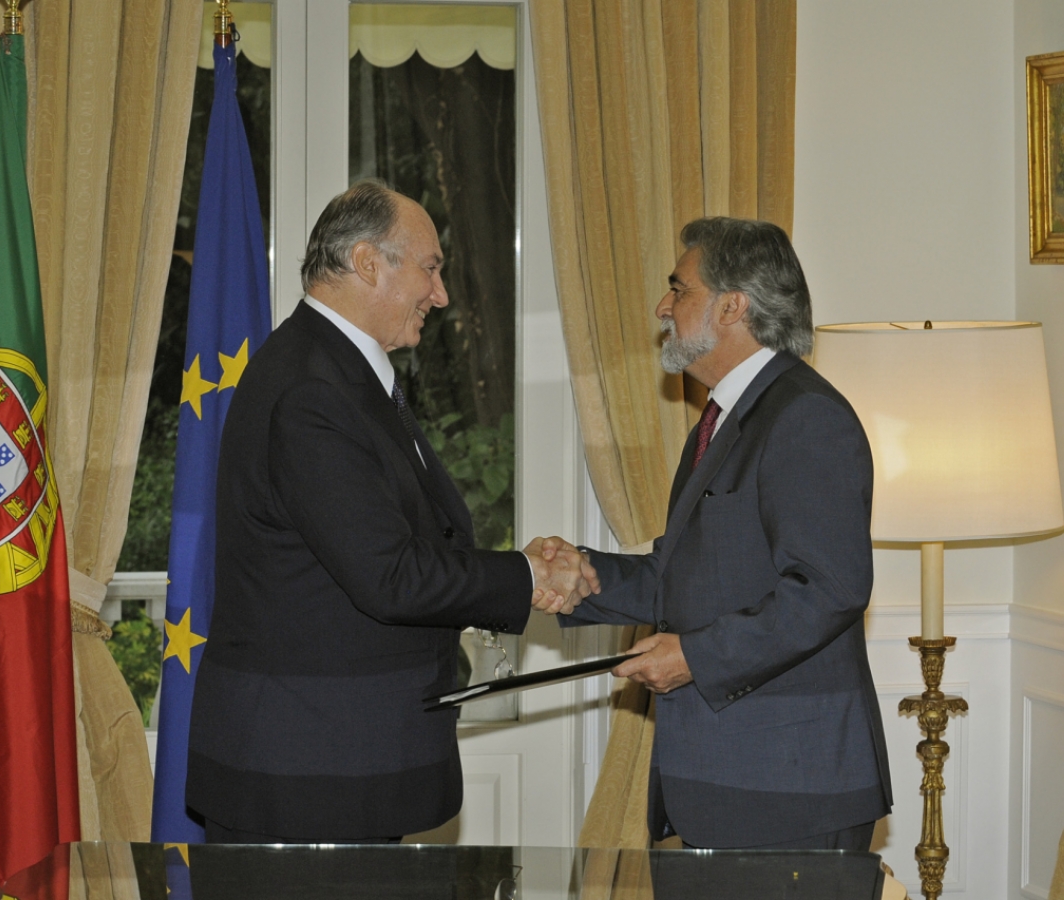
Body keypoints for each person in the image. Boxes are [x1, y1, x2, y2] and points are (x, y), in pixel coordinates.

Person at [185, 181, 596, 843]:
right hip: (307, 775)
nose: (441, 294)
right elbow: (390, 576)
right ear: (370, 264)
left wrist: (518, 568)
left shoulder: (337, 372)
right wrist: (522, 576)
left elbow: (413, 539)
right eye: (431, 269)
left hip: (338, 764)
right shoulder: (312, 390)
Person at [547, 216, 891, 850]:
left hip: (788, 789)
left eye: (679, 289)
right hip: (733, 781)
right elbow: (686, 575)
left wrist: (693, 657)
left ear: (734, 305)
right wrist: (570, 576)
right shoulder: (730, 416)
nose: (662, 306)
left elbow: (830, 588)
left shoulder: (804, 416)